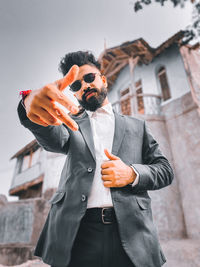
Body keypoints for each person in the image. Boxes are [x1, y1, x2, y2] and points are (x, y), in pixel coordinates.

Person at [17, 51, 174, 267]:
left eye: (89, 78)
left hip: (131, 232)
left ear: (103, 79)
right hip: (77, 235)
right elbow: (50, 136)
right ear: (74, 94)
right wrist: (27, 104)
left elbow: (165, 170)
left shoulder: (138, 126)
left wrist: (131, 173)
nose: (84, 86)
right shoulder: (69, 124)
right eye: (76, 85)